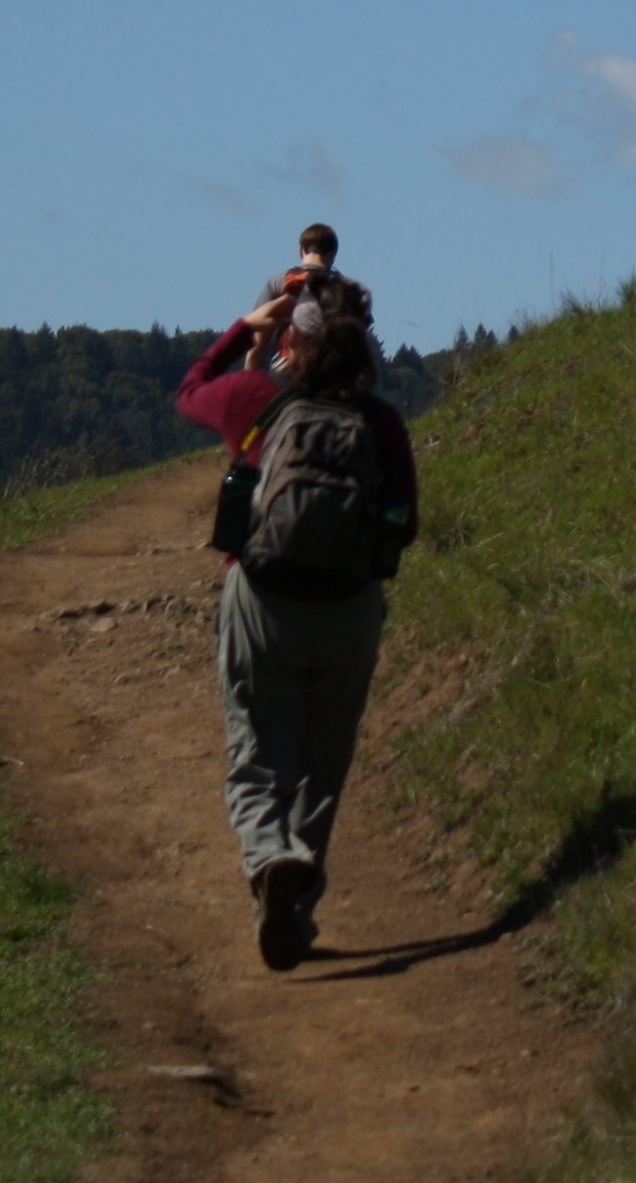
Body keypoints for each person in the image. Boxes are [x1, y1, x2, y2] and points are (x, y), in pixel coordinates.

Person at [176, 229, 418, 970]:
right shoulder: (380, 422)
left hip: (262, 600)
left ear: (295, 340)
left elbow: (188, 393)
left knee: (258, 755)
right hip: (349, 611)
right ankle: (295, 904)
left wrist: (245, 332)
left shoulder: (257, 399)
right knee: (323, 766)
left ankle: (269, 858)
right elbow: (405, 522)